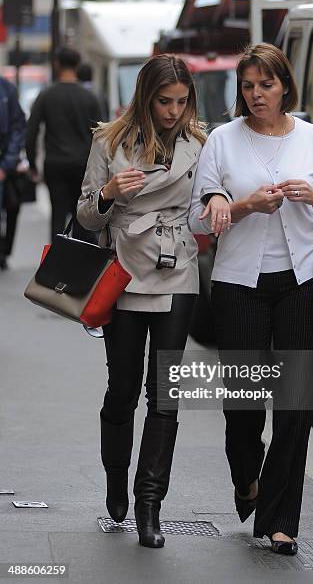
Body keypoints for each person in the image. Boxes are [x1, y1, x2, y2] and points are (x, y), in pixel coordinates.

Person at [189, 43, 313, 555]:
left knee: (296, 405)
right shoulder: (222, 141)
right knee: (243, 406)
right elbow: (198, 217)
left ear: (285, 87)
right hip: (238, 286)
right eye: (249, 86)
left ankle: (282, 521)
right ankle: (245, 477)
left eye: (267, 85)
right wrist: (238, 205)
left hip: (301, 283)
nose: (257, 95)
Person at [76, 54, 207, 548]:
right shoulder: (110, 140)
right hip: (125, 271)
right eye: (163, 101)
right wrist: (109, 191)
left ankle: (150, 505)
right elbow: (87, 216)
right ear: (145, 97)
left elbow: (212, 196)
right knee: (123, 389)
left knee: (165, 396)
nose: (173, 112)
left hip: (178, 271)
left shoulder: (201, 142)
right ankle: (115, 479)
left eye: (181, 102)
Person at [26, 47, 102, 242]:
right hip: (83, 165)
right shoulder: (90, 97)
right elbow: (101, 135)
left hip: (55, 163)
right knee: (82, 216)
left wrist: (32, 164)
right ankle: (80, 264)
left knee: (57, 215)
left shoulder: (46, 95)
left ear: (57, 64)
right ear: (77, 65)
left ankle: (56, 263)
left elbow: (31, 132)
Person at [0, 76, 26, 270]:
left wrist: (6, 164)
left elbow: (18, 127)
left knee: (8, 209)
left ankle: (3, 252)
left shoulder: (6, 89)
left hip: (3, 165)